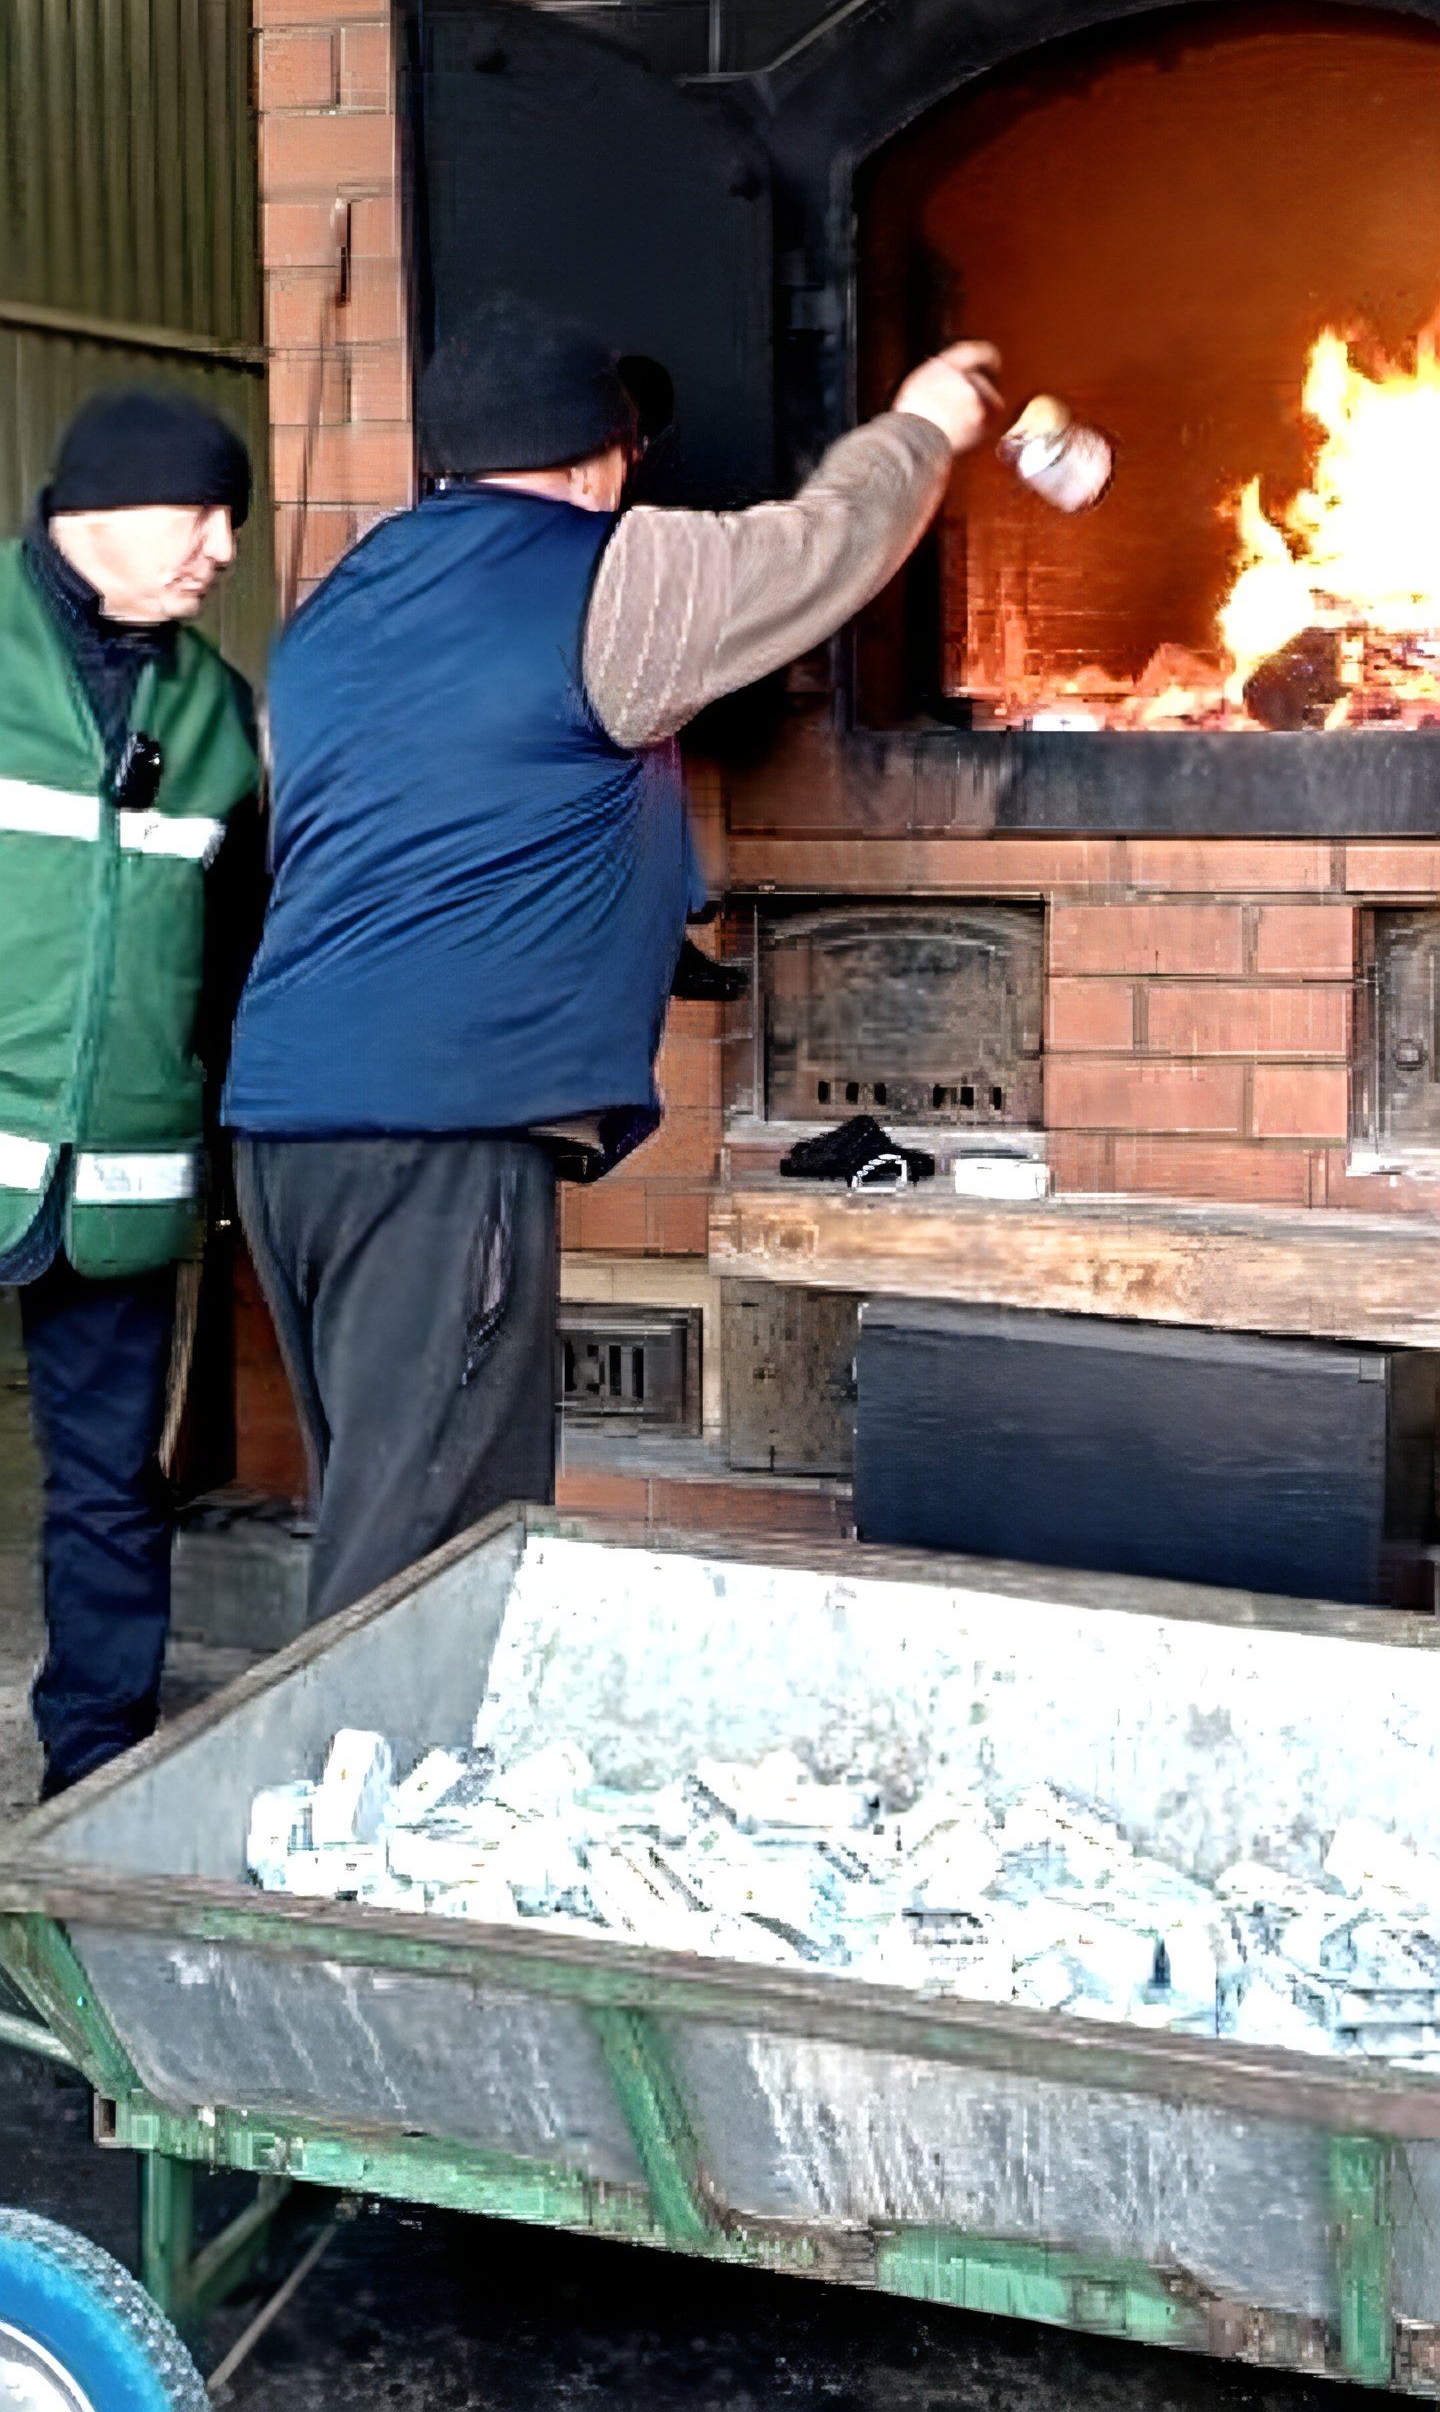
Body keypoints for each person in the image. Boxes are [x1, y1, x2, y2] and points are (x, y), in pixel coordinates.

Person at [224, 295, 1002, 1624]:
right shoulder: (609, 573)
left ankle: (352, 1796)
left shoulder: (334, 612)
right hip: (437, 1140)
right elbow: (825, 547)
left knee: (376, 1493)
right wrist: (923, 423)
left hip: (287, 1130)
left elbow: (430, 820)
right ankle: (345, 1814)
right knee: (427, 1552)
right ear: (596, 462)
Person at [0, 387, 259, 1796]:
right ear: (90, 505)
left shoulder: (218, 713)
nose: (221, 547)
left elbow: (231, 958)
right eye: (199, 513)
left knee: (110, 1497)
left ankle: (93, 1789)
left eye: (235, 520)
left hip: (125, 1173)